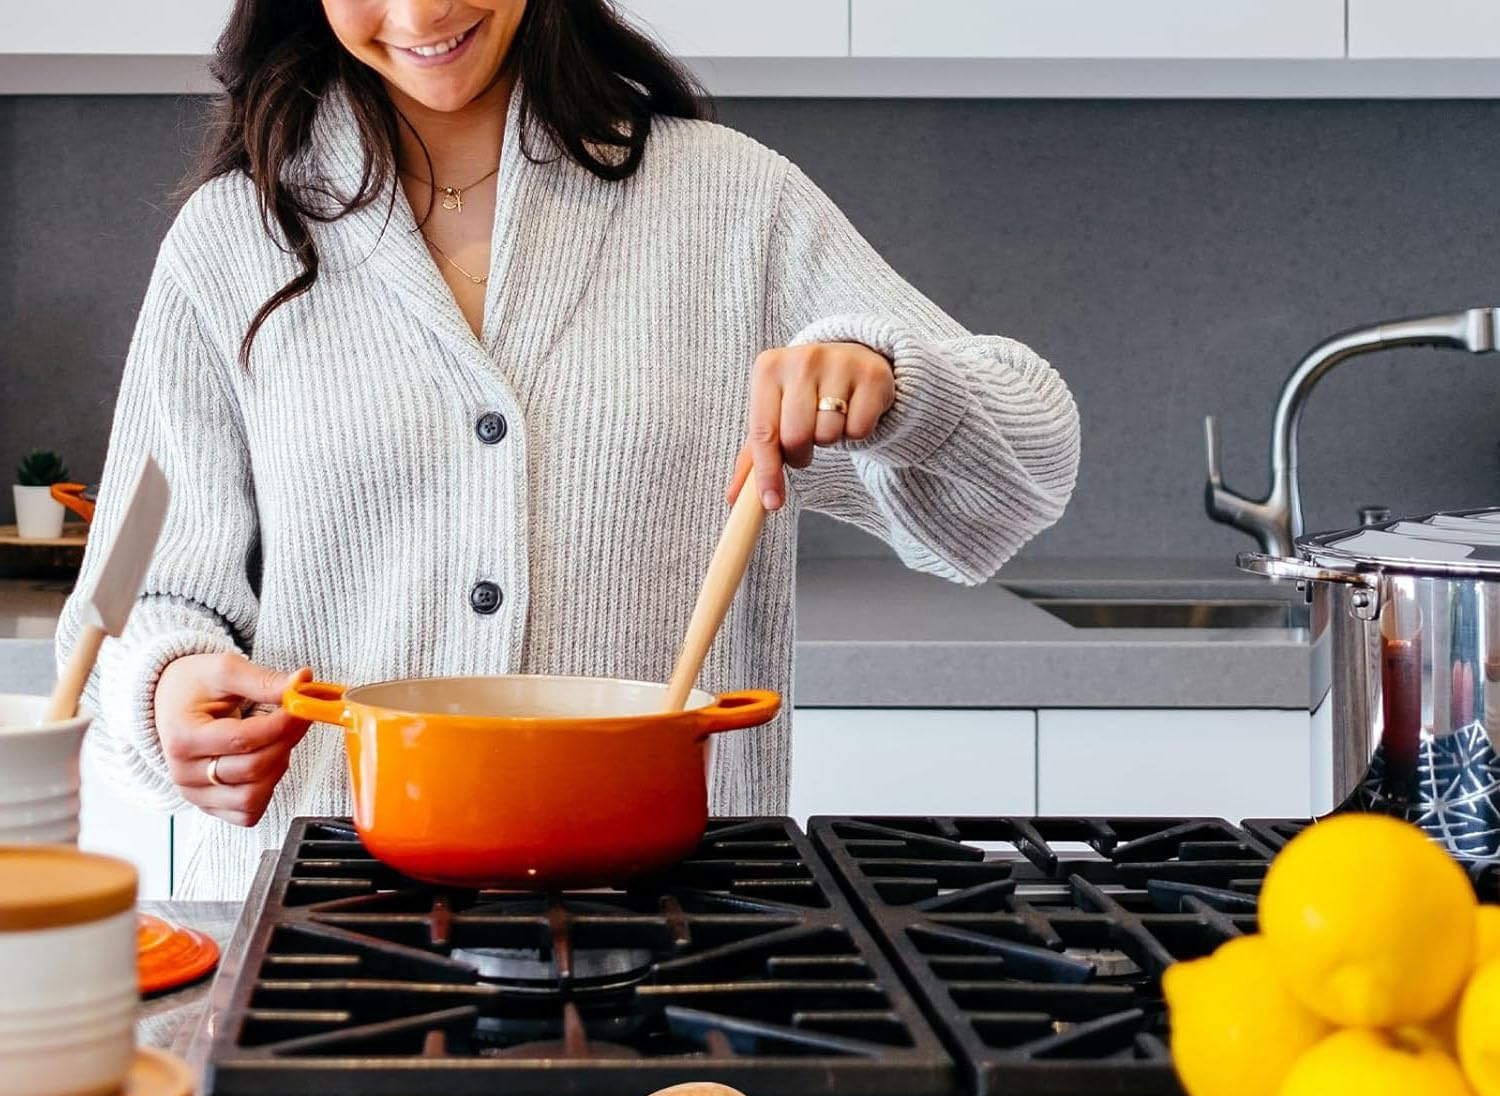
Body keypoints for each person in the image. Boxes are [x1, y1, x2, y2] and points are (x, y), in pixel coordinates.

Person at [57, 0, 1080, 899]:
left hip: (678, 935)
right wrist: (168, 690)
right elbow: (133, 608)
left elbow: (1026, 473)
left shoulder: (731, 206)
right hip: (324, 938)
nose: (417, 13)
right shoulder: (235, 240)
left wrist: (895, 383)